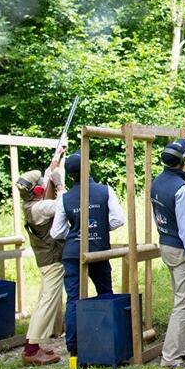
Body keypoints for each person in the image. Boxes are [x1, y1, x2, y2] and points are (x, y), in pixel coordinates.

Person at [51, 152, 125, 357]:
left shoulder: (65, 198)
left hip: (72, 253)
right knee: (105, 293)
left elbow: (56, 232)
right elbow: (119, 220)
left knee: (73, 299)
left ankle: (73, 347)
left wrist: (75, 232)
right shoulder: (105, 190)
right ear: (88, 168)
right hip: (98, 250)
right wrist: (100, 228)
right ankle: (107, 340)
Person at [150, 138, 185, 368]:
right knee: (183, 305)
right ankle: (171, 357)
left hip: (166, 244)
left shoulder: (157, 182)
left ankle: (182, 348)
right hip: (182, 250)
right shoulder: (182, 190)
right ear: (183, 160)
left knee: (181, 299)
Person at [16, 161, 66, 366]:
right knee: (47, 304)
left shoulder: (32, 204)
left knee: (45, 301)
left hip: (47, 260)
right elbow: (63, 205)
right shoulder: (41, 207)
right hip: (52, 260)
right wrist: (61, 186)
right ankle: (31, 349)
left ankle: (36, 345)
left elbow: (45, 182)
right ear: (37, 190)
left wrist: (55, 162)